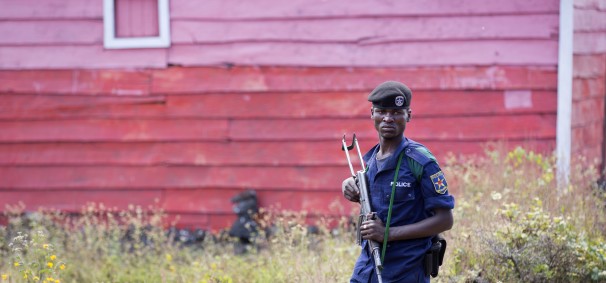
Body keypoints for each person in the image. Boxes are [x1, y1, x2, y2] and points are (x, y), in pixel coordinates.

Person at [341, 81, 455, 282]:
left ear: (408, 116)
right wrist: (349, 185)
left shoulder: (421, 162)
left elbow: (445, 220)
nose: (388, 118)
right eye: (382, 111)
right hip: (367, 269)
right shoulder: (371, 160)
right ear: (372, 114)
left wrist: (387, 234)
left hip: (406, 271)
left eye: (396, 112)